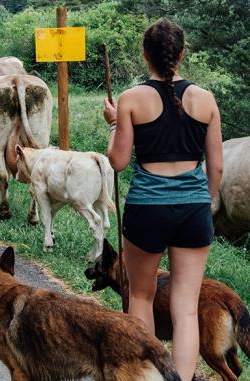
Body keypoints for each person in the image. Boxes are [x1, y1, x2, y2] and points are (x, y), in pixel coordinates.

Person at [103, 18, 223, 380]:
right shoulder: (205, 99)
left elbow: (118, 162)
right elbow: (215, 167)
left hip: (146, 211)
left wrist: (113, 123)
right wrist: (206, 202)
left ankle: (147, 376)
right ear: (181, 54)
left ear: (145, 55)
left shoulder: (131, 99)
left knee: (140, 297)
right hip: (193, 211)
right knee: (185, 308)